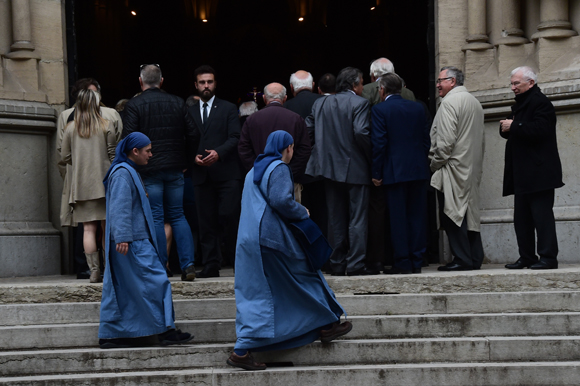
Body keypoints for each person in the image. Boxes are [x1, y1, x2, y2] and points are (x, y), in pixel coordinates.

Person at [227, 130, 351, 371]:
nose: (292, 152)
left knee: (260, 294)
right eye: (292, 147)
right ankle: (326, 325)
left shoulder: (255, 170)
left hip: (250, 240)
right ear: (287, 148)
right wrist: (300, 210)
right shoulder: (279, 168)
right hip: (271, 238)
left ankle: (324, 326)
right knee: (306, 275)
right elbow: (281, 200)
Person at [99, 132, 193, 349]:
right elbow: (119, 206)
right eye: (148, 150)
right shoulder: (123, 173)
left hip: (132, 241)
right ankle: (165, 330)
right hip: (132, 242)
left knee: (129, 288)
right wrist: (122, 236)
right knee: (157, 282)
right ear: (135, 151)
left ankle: (120, 334)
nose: (151, 155)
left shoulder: (127, 171)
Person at [122, 64, 199, 281]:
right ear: (162, 81)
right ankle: (188, 264)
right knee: (178, 215)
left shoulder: (134, 105)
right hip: (175, 167)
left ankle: (161, 265)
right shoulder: (177, 102)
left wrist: (135, 164)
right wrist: (186, 159)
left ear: (140, 81)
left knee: (155, 216)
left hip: (149, 168)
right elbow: (193, 133)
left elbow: (128, 138)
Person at [305, 67, 375, 276]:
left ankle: (336, 262)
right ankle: (355, 264)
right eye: (361, 83)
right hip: (356, 166)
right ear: (354, 85)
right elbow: (361, 131)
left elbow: (307, 130)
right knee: (357, 218)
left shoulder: (320, 103)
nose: (363, 87)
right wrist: (371, 157)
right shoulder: (360, 103)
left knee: (335, 218)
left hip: (327, 167)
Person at [56, 78, 123, 279]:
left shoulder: (70, 127)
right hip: (104, 184)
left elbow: (64, 157)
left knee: (88, 230)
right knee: (106, 228)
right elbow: (114, 154)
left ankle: (93, 271)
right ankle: (109, 269)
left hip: (81, 186)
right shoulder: (107, 125)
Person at [501, 66, 564, 270]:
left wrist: (515, 126)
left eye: (516, 83)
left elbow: (542, 129)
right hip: (523, 173)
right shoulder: (522, 103)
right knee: (522, 219)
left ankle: (548, 257)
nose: (513, 88)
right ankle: (526, 256)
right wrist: (507, 128)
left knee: (542, 217)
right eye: (511, 83)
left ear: (531, 83)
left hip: (539, 173)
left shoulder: (540, 102)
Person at [371, 74, 430, 274]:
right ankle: (416, 259)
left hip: (394, 171)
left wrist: (376, 172)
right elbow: (425, 140)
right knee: (417, 216)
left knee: (398, 218)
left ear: (382, 90)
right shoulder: (418, 107)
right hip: (418, 169)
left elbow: (379, 143)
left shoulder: (380, 109)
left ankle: (402, 261)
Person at [188, 65, 242, 277]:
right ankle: (211, 265)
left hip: (227, 173)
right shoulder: (189, 111)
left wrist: (218, 153)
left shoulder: (228, 108)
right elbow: (184, 140)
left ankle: (239, 263)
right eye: (202, 82)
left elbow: (235, 137)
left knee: (230, 217)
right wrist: (192, 156)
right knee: (205, 220)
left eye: (209, 82)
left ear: (215, 84)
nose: (206, 86)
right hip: (201, 174)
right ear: (196, 85)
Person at [430, 66, 485, 271]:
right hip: (470, 166)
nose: (437, 85)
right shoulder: (474, 102)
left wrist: (435, 164)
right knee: (468, 214)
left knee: (452, 214)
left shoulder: (449, 103)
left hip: (452, 168)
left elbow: (445, 142)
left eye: (441, 80)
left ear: (452, 81)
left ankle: (462, 259)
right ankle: (474, 257)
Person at [238, 82, 311, 202]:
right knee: (289, 215)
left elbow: (243, 149)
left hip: (260, 181)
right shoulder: (296, 119)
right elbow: (305, 150)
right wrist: (288, 173)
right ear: (285, 98)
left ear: (264, 98)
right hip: (289, 181)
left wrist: (258, 171)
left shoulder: (252, 119)